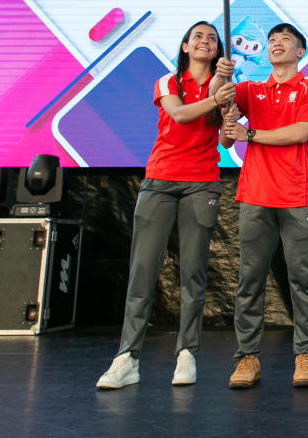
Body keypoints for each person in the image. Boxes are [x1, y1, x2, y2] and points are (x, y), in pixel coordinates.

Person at [97, 21, 236, 390]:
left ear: (218, 50)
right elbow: (179, 114)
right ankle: (127, 358)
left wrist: (228, 111)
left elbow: (225, 141)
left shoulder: (223, 87)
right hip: (159, 181)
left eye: (212, 38)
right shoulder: (168, 82)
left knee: (193, 272)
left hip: (201, 183)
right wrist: (215, 99)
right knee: (143, 271)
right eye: (198, 37)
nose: (205, 42)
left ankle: (187, 354)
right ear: (186, 46)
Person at [213, 23, 308, 389]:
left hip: (296, 195)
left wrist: (250, 134)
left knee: (303, 278)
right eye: (272, 41)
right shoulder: (251, 90)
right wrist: (221, 82)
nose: (277, 45)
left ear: (300, 51)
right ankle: (247, 358)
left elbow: (301, 132)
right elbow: (224, 121)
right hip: (254, 195)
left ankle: (305, 355)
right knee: (249, 279)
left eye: (286, 41)